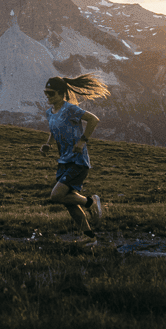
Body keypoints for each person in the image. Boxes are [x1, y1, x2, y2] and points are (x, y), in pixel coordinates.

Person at [39, 74, 108, 243]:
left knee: (56, 196)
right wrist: (48, 144)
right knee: (69, 203)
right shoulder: (50, 112)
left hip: (78, 161)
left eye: (51, 93)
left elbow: (93, 119)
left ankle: (90, 202)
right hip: (64, 161)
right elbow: (54, 129)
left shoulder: (70, 109)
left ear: (61, 93)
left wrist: (83, 141)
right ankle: (89, 237)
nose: (48, 96)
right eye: (45, 92)